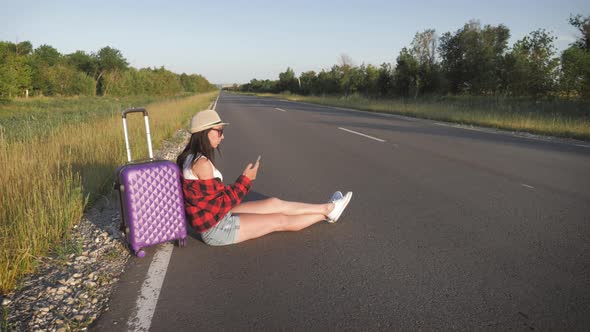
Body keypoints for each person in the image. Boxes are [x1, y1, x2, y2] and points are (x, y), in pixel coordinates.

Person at [176, 109, 353, 246]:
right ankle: (327, 213)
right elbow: (219, 205)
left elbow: (210, 199)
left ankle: (328, 207)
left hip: (218, 217)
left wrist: (242, 180)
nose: (222, 136)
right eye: (219, 131)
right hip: (216, 229)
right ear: (205, 132)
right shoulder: (202, 164)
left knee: (274, 203)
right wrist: (245, 181)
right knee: (278, 220)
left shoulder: (189, 157)